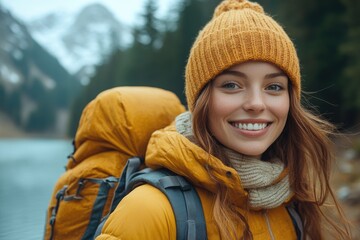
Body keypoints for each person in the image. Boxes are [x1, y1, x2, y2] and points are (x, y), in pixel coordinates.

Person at [96, 0, 352, 239]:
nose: (256, 103)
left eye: (273, 87)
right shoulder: (150, 210)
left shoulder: (291, 199)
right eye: (231, 85)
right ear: (201, 100)